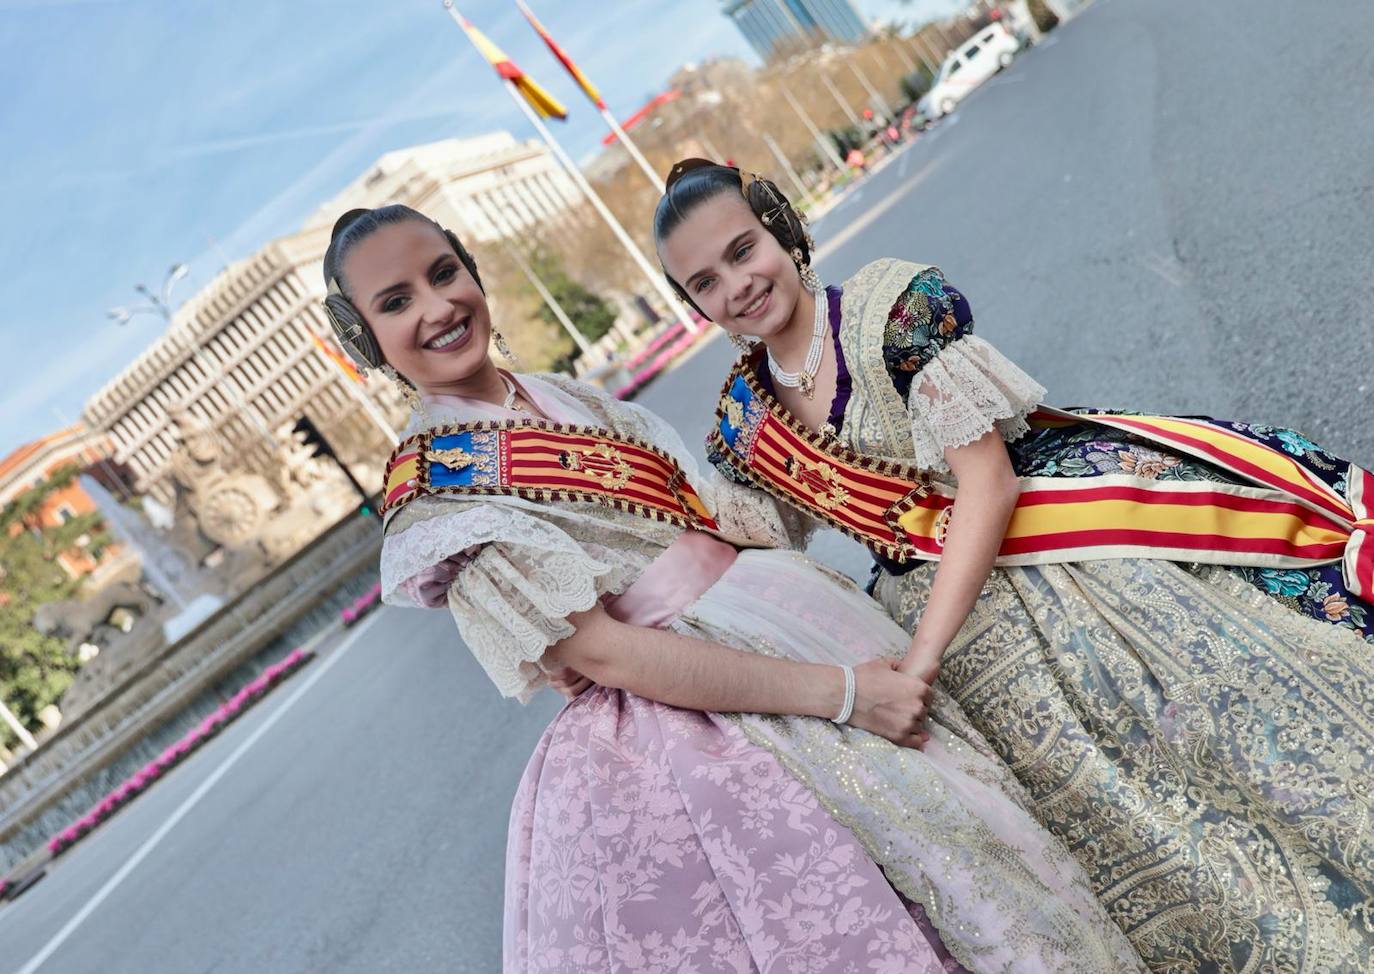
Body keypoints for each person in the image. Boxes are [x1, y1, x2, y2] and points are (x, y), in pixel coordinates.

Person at [321, 204, 1143, 973]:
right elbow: (605, 653)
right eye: (396, 301)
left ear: (472, 271)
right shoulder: (437, 499)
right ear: (366, 341)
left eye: (442, 273)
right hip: (702, 720)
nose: (436, 307)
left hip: (789, 629)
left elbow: (710, 519)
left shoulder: (559, 396)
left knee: (985, 856)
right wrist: (848, 696)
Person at [653, 160, 1374, 972]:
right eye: (706, 283)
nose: (738, 287)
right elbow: (756, 547)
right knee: (1095, 816)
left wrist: (920, 661)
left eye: (744, 251)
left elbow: (988, 484)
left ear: (780, 227)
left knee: (1210, 711)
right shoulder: (745, 419)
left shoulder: (890, 311)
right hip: (919, 598)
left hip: (1045, 546)